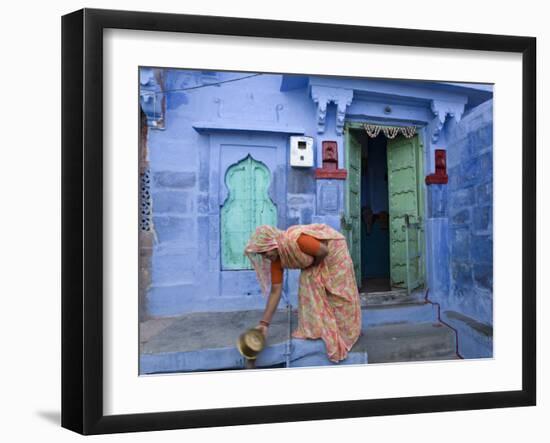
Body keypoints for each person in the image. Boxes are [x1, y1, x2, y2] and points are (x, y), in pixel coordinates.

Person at [244, 223, 362, 362]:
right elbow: (276, 291)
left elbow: (323, 251)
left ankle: (347, 330)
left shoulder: (296, 240)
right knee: (308, 281)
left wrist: (314, 266)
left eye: (265, 252)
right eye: (262, 255)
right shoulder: (277, 258)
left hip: (334, 251)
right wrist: (264, 324)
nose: (265, 257)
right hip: (320, 255)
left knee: (338, 292)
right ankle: (322, 325)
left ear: (273, 244)